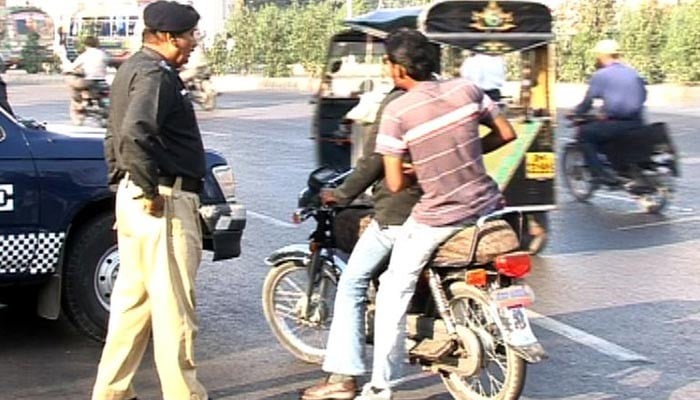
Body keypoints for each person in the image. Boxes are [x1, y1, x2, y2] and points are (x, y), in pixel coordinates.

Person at [360, 28, 517, 400]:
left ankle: (381, 385)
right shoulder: (466, 89)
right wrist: (468, 150)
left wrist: (417, 168)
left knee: (392, 290)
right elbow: (507, 133)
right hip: (489, 206)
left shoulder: (397, 111)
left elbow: (395, 184)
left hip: (439, 216)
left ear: (398, 69)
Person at [93, 2, 209, 400]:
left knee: (131, 308)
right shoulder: (156, 75)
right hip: (162, 200)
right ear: (167, 38)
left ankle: (112, 393)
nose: (193, 43)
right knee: (175, 311)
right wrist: (145, 192)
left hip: (137, 201)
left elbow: (114, 138)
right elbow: (134, 132)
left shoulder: (131, 68)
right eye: (190, 36)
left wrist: (122, 189)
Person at [300, 85, 422, 400]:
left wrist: (340, 194)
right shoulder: (446, 94)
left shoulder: (396, 103)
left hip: (400, 213)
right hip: (446, 206)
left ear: (397, 66)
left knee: (352, 282)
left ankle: (344, 378)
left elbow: (375, 164)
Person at [571, 39, 647, 184]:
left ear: (601, 56)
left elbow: (588, 102)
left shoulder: (601, 75)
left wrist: (576, 113)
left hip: (616, 124)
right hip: (638, 123)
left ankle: (600, 174)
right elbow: (643, 96)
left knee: (585, 134)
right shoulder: (633, 72)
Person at [65, 36, 110, 102]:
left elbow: (72, 67)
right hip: (102, 80)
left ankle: (78, 102)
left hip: (89, 80)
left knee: (72, 83)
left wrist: (67, 71)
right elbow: (109, 62)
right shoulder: (103, 54)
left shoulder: (85, 55)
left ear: (86, 45)